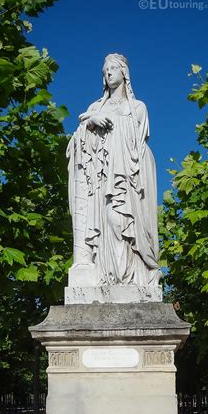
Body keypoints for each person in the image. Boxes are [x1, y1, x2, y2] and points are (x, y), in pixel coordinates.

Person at [67, 53, 160, 287]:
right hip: (101, 178)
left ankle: (132, 276)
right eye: (105, 70)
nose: (108, 73)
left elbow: (136, 141)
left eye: (112, 69)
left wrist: (96, 120)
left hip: (129, 176)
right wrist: (89, 122)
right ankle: (108, 276)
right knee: (108, 221)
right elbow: (76, 144)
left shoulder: (137, 107)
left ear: (124, 73)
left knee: (121, 221)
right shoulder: (96, 107)